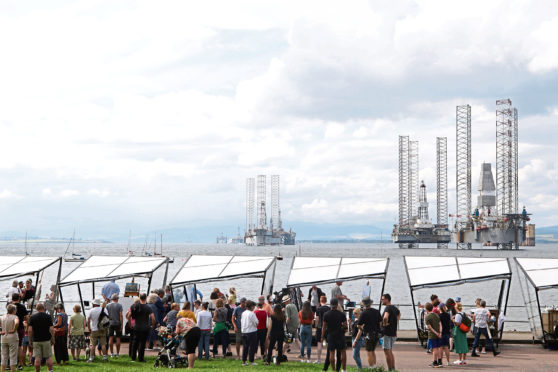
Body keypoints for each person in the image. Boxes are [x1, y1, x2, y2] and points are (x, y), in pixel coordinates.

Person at [353, 296, 381, 370]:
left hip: (368, 334)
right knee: (373, 351)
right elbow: (380, 323)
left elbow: (358, 325)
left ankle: (371, 367)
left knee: (369, 352)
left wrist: (362, 329)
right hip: (376, 334)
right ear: (370, 304)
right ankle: (374, 366)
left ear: (364, 305)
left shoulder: (364, 313)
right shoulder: (376, 311)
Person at [127, 293, 155, 362]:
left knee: (135, 342)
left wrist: (130, 324)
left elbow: (128, 316)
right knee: (142, 343)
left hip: (136, 327)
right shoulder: (148, 307)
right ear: (145, 298)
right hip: (145, 327)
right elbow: (153, 318)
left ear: (140, 298)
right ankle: (141, 358)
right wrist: (152, 326)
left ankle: (133, 358)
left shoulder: (134, 306)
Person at [322, 298, 347, 372]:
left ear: (330, 305)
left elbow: (324, 327)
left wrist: (322, 336)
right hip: (340, 335)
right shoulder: (341, 314)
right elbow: (345, 326)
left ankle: (333, 370)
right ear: (337, 305)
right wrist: (342, 329)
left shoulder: (326, 314)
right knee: (343, 352)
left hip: (331, 335)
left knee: (331, 353)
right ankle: (344, 369)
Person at [27, 303, 54, 372]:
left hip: (36, 340)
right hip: (46, 339)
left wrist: (30, 340)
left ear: (36, 309)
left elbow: (30, 330)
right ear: (44, 308)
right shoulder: (48, 317)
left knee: (37, 358)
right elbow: (51, 329)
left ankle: (37, 371)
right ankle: (50, 370)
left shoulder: (32, 317)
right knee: (48, 357)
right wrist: (53, 338)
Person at [381, 293, 400, 371]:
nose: (381, 300)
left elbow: (385, 317)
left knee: (387, 352)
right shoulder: (395, 308)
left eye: (382, 299)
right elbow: (399, 316)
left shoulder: (387, 308)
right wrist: (394, 322)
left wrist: (385, 324)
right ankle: (393, 368)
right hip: (393, 332)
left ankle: (390, 369)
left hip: (387, 333)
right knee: (390, 351)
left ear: (387, 299)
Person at [87, 298, 109, 363]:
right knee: (103, 344)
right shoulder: (104, 309)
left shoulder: (91, 310)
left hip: (94, 329)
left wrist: (89, 328)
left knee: (93, 345)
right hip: (102, 329)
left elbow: (88, 320)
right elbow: (107, 319)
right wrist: (106, 329)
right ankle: (105, 358)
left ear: (94, 304)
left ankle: (91, 358)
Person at [10, 293, 28, 369]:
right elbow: (27, 316)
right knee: (19, 346)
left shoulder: (9, 306)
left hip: (11, 327)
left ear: (12, 298)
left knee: (10, 346)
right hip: (20, 327)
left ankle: (9, 364)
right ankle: (20, 364)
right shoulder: (22, 306)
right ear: (19, 298)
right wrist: (27, 325)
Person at [1, 304, 19, 372]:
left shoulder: (2, 317)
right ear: (14, 310)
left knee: (4, 356)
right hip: (12, 338)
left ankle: (2, 371)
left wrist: (1, 331)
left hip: (4, 337)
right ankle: (12, 371)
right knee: (13, 356)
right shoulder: (15, 317)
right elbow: (16, 323)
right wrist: (14, 330)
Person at [240, 300, 258, 366]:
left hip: (244, 331)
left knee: (245, 347)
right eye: (254, 306)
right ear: (252, 306)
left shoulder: (243, 313)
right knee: (252, 347)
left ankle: (244, 361)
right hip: (251, 331)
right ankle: (251, 361)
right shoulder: (252, 314)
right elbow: (256, 322)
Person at [424, 302, 442, 368]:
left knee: (434, 349)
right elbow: (440, 324)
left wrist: (436, 333)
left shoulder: (427, 317)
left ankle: (435, 362)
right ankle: (440, 361)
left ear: (426, 309)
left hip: (432, 335)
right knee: (439, 347)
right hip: (439, 334)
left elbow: (430, 327)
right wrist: (440, 332)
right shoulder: (437, 315)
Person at [106, 293, 123, 358]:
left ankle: (112, 353)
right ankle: (118, 353)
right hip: (117, 323)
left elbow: (106, 315)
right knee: (118, 338)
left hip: (110, 323)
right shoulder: (119, 305)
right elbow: (121, 315)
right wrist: (121, 324)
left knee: (110, 338)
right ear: (116, 298)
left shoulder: (108, 305)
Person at [315, 295, 330, 364]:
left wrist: (316, 326)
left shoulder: (318, 309)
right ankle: (329, 358)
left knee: (319, 343)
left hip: (320, 327)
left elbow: (317, 319)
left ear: (320, 301)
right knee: (328, 343)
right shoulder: (329, 308)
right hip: (328, 328)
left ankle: (319, 359)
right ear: (326, 301)